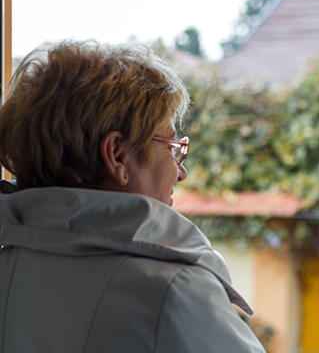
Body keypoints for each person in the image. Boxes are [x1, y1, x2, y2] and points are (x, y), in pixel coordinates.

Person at [0, 40, 266, 353]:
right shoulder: (172, 292)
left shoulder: (8, 269)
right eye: (171, 147)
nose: (181, 173)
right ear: (117, 156)